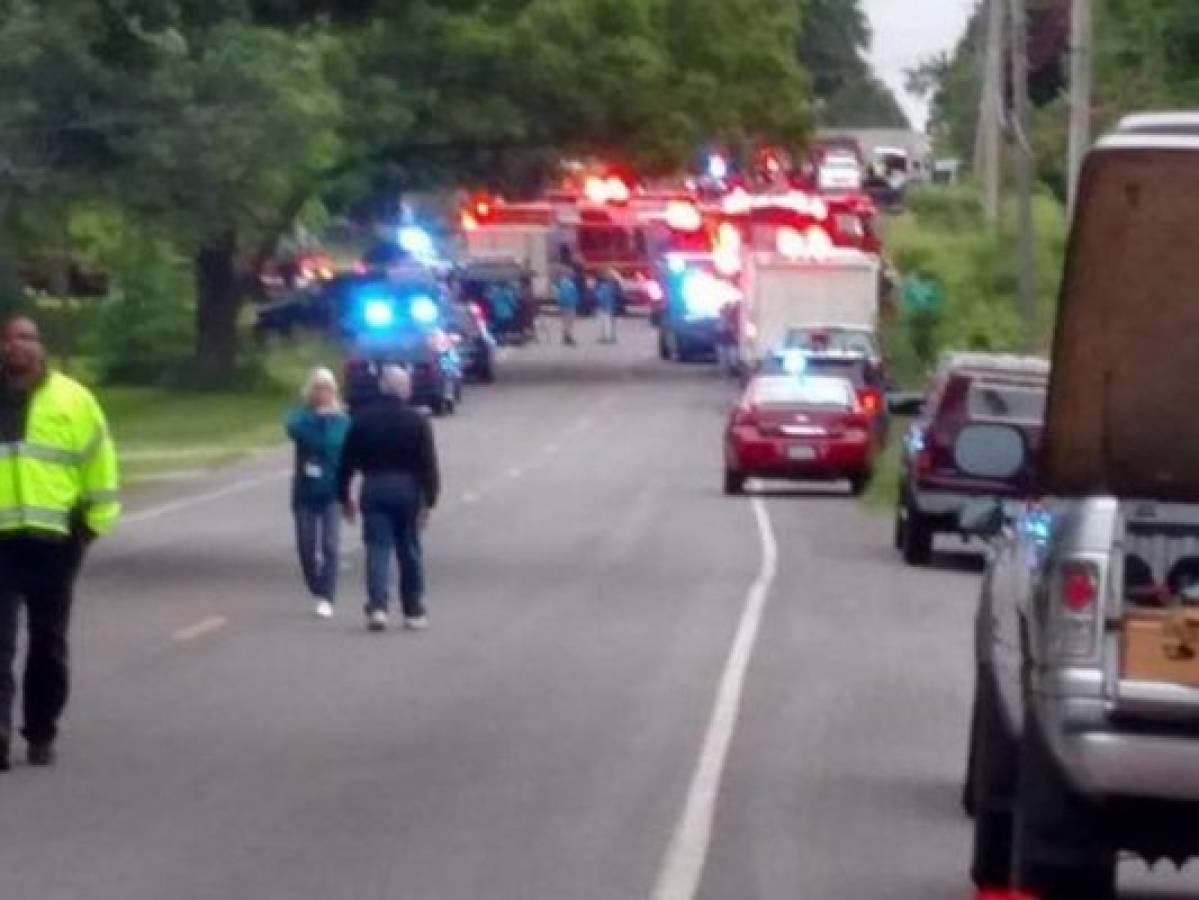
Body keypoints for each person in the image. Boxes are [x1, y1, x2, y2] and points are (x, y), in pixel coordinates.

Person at [0, 316, 120, 771]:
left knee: (47, 642)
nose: (19, 346)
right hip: (1, 543)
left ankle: (40, 729)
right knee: (0, 643)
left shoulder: (73, 399)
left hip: (56, 541)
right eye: (10, 339)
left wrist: (92, 525)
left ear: (41, 346)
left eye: (27, 338)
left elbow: (100, 464)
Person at [337, 365, 440, 633]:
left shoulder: (362, 419)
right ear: (404, 389)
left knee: (378, 548)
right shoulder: (417, 421)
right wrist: (429, 499)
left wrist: (344, 496)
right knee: (409, 549)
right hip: (408, 487)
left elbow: (346, 461)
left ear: (381, 387)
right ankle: (413, 609)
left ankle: (378, 607)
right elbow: (428, 464)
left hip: (374, 485)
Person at [285, 368, 350, 620]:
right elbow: (296, 431)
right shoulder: (300, 417)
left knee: (331, 545)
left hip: (332, 491)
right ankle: (316, 584)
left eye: (327, 389)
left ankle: (327, 595)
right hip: (305, 491)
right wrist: (317, 419)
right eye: (318, 389)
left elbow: (335, 444)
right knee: (306, 545)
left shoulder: (342, 420)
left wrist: (329, 420)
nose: (323, 394)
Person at [555, 268, 579, 347]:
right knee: (569, 321)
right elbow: (574, 294)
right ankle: (568, 336)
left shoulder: (561, 284)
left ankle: (565, 335)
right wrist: (575, 302)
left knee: (565, 321)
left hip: (563, 305)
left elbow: (559, 295)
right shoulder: (569, 284)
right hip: (570, 305)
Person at [595, 271, 619, 344]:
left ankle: (606, 337)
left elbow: (599, 297)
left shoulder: (603, 286)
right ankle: (610, 336)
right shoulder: (613, 286)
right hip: (610, 306)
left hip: (604, 307)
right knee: (608, 322)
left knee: (605, 322)